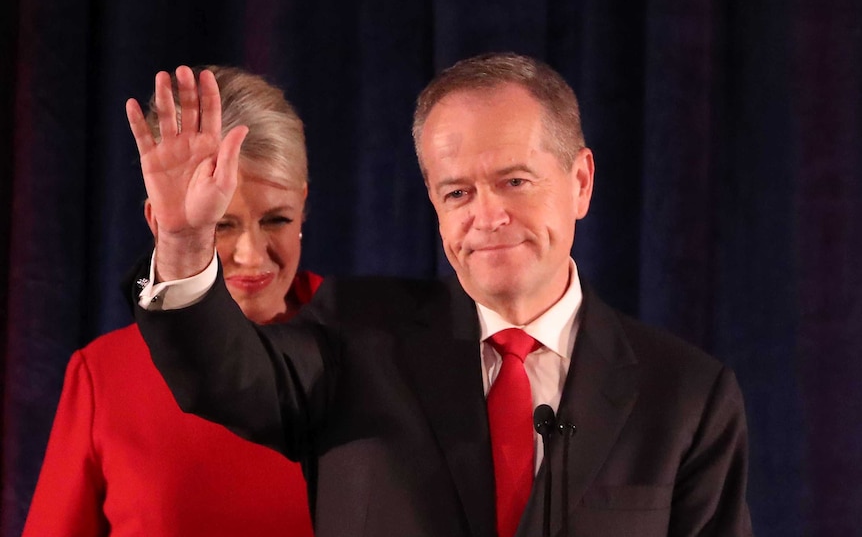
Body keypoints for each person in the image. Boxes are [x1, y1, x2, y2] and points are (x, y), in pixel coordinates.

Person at [128, 53, 754, 536]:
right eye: (457, 192)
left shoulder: (687, 397)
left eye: (514, 181)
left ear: (581, 182)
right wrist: (185, 240)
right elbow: (223, 378)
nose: (487, 216)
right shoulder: (354, 335)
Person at [22, 66, 319, 537]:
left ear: (303, 206)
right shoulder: (105, 374)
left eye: (277, 219)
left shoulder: (367, 347)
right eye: (221, 224)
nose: (251, 253)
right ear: (158, 221)